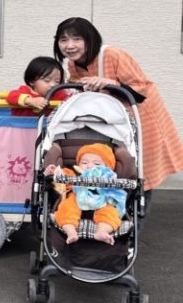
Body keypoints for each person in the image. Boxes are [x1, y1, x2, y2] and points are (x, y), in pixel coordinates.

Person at [54, 17, 183, 191]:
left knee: (141, 167)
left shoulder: (112, 55)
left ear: (90, 39)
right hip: (112, 119)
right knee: (115, 163)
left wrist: (110, 83)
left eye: (77, 39)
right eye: (63, 40)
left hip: (140, 114)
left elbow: (141, 89)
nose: (69, 46)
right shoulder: (72, 64)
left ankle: (141, 203)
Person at [46, 144, 126, 245]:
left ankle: (102, 231)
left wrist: (111, 181)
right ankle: (71, 232)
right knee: (66, 207)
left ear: (107, 167)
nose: (90, 166)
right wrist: (54, 172)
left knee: (111, 211)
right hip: (77, 199)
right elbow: (61, 177)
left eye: (97, 164)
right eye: (84, 162)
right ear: (78, 164)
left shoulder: (108, 176)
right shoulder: (75, 176)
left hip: (102, 201)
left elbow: (114, 191)